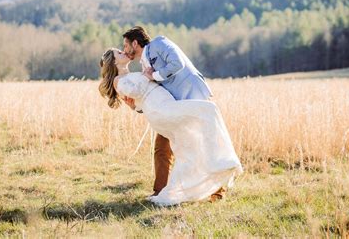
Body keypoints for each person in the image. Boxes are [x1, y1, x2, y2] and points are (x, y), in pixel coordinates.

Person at [99, 47, 243, 206]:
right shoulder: (118, 80)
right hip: (161, 109)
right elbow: (136, 91)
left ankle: (182, 189)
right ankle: (221, 161)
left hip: (166, 105)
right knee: (209, 109)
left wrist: (137, 100)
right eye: (119, 53)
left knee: (188, 149)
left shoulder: (133, 74)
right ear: (114, 61)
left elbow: (139, 101)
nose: (123, 52)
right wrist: (148, 76)